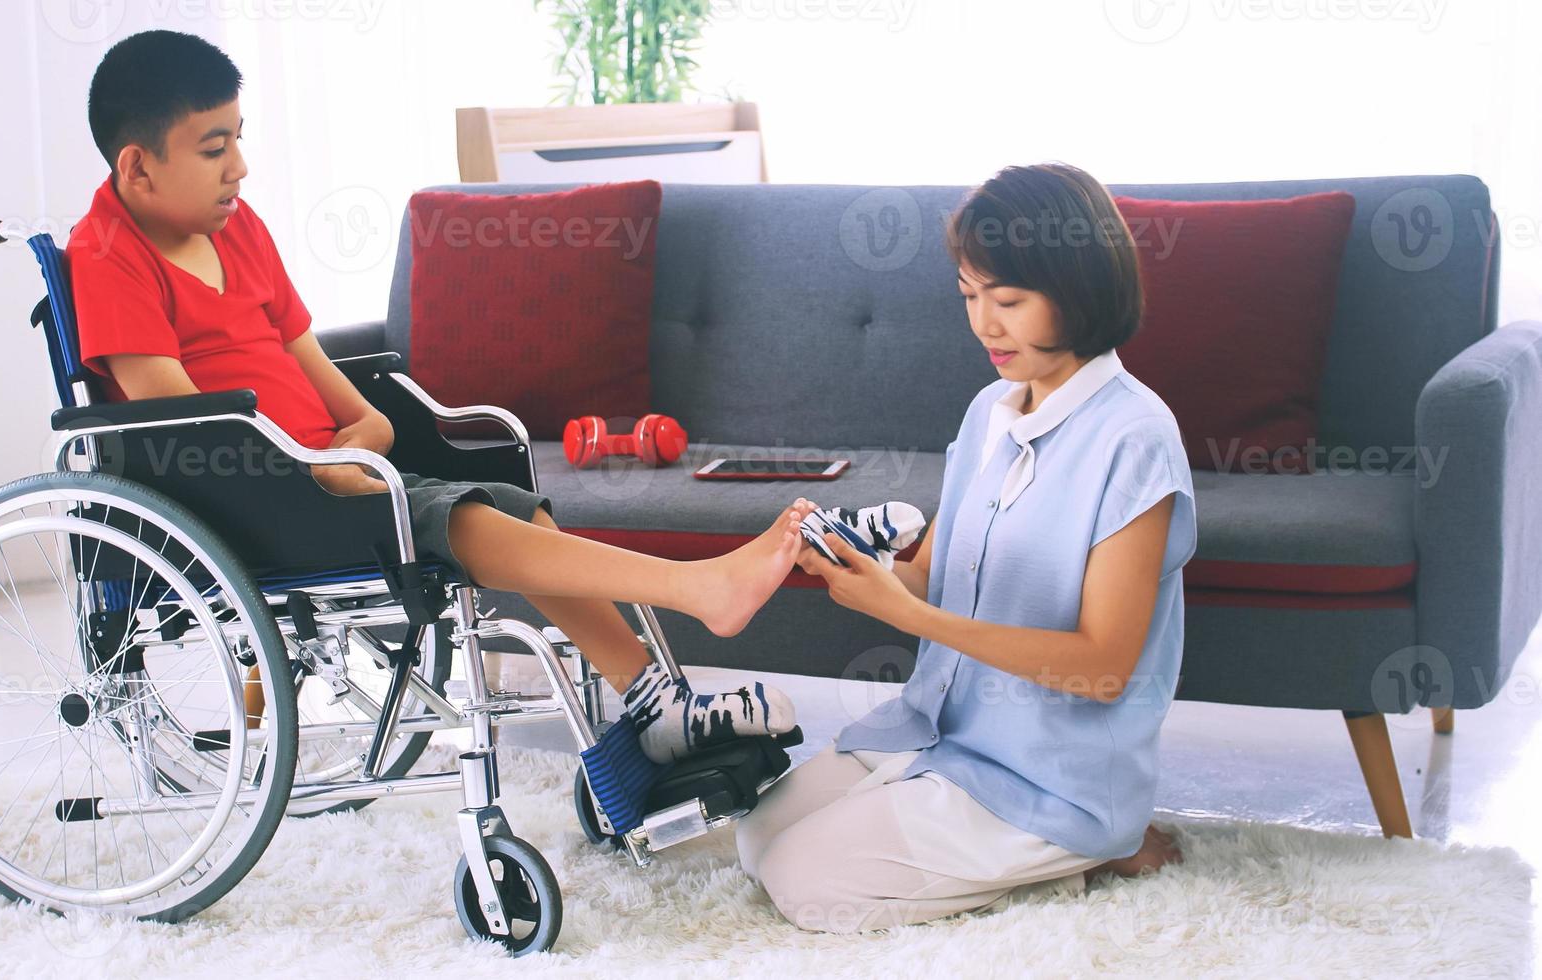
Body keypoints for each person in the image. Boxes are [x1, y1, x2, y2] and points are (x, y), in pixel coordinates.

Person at [65, 30, 803, 765]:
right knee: (455, 519)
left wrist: (359, 435)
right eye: (212, 147)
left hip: (334, 477)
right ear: (138, 167)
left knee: (519, 509)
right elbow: (188, 427)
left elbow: (342, 391)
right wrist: (309, 467)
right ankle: (699, 588)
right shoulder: (107, 259)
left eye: (239, 138)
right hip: (251, 499)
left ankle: (652, 703)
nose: (240, 166)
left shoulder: (239, 229)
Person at [735, 163, 1195, 932]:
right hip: (941, 728)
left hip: (1048, 773)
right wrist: (861, 568)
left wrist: (911, 618)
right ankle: (1008, 837)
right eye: (969, 297)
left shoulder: (1135, 439)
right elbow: (929, 579)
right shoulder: (989, 411)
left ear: (1079, 287)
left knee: (802, 881)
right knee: (756, 841)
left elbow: (1103, 667)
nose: (984, 324)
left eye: (1008, 301)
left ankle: (1095, 842)